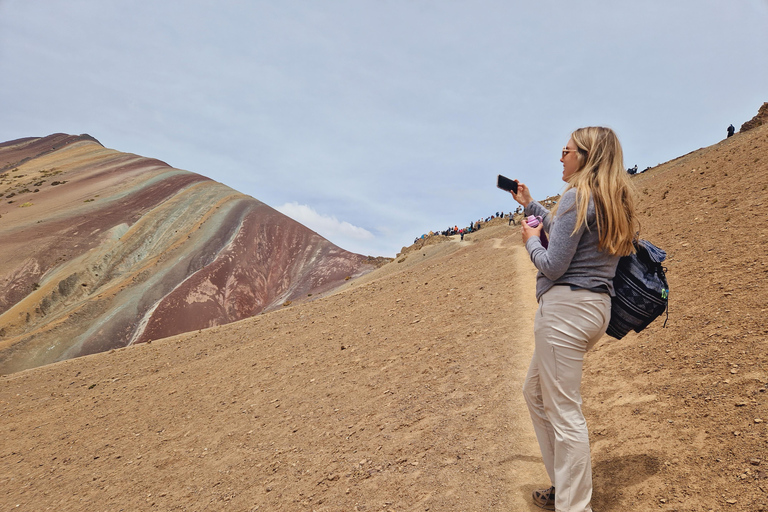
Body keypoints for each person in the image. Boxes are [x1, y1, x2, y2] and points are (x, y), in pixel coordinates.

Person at [510, 127, 638, 512]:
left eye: (566, 151)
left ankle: (574, 506)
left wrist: (529, 241)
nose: (560, 158)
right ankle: (563, 486)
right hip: (595, 310)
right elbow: (569, 234)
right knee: (534, 393)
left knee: (566, 414)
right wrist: (531, 205)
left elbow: (552, 263)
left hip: (564, 313)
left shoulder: (576, 197)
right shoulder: (609, 199)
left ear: (585, 156)